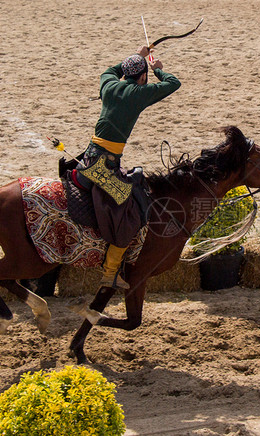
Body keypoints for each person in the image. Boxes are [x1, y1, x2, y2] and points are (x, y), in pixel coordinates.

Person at [75, 46, 181, 291]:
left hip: (90, 156)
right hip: (103, 164)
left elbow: (110, 70)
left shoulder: (109, 85)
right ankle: (109, 273)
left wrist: (138, 56)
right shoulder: (138, 93)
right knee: (127, 213)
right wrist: (159, 70)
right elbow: (173, 83)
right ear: (142, 77)